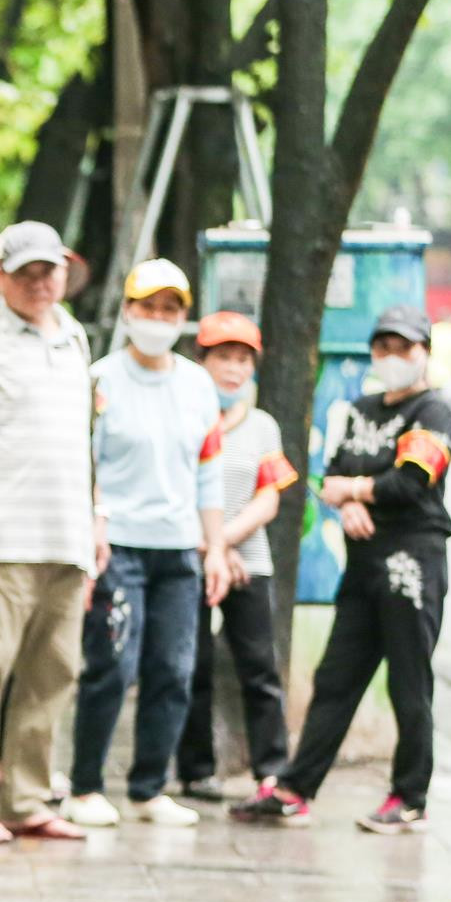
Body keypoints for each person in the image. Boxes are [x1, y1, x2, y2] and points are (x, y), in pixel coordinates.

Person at [232, 305, 451, 832]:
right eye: (384, 347)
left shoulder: (433, 412)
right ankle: (294, 788)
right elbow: (329, 474)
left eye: (405, 347)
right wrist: (348, 499)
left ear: (424, 352)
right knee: (336, 678)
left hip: (412, 564)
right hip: (361, 568)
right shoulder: (359, 410)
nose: (393, 357)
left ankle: (409, 796)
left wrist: (354, 490)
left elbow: (410, 482)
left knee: (408, 681)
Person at [0, 221, 98, 844]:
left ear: (63, 273)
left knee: (54, 672)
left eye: (48, 270)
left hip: (68, 536)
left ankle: (28, 798)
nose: (39, 281)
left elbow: (83, 443)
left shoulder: (76, 338)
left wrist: (94, 524)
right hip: (2, 534)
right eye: (25, 271)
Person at [61, 259, 232, 829]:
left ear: (184, 317)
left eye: (171, 309)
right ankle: (86, 786)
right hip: (119, 547)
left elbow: (208, 470)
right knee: (112, 663)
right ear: (128, 311)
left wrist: (215, 547)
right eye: (148, 307)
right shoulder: (101, 381)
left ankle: (149, 787)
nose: (158, 318)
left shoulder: (198, 385)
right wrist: (93, 525)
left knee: (173, 668)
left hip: (180, 549)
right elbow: (85, 463)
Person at [176, 312, 297, 801]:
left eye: (242, 359)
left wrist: (222, 544)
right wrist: (209, 549)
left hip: (248, 562)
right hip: (192, 556)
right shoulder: (185, 417)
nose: (232, 369)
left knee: (259, 667)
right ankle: (196, 769)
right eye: (222, 357)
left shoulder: (263, 426)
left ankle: (272, 769)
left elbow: (268, 499)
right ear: (201, 361)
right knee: (192, 665)